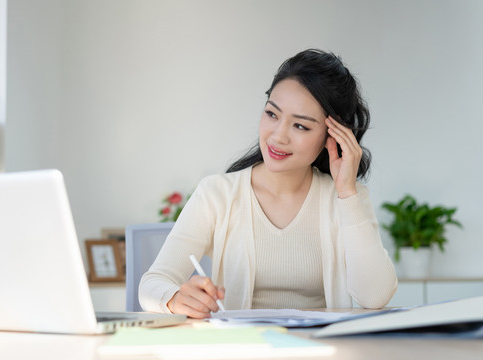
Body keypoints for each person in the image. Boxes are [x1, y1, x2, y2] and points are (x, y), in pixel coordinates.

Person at [139, 49, 397, 319]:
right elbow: (153, 283)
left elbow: (374, 296)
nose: (278, 136)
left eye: (300, 126)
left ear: (331, 136)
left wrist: (346, 193)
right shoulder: (217, 194)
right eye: (272, 114)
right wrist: (174, 298)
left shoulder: (346, 198)